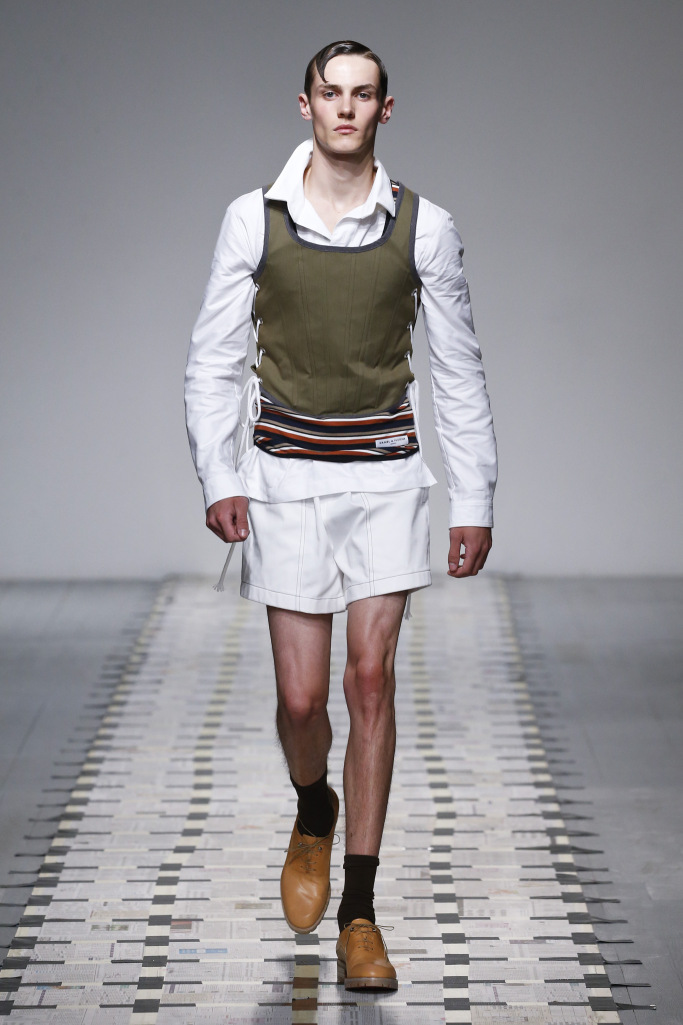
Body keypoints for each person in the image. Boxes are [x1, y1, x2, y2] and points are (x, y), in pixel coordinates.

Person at [184, 39, 497, 990]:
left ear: (384, 110)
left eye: (363, 95)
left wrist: (474, 496)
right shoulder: (254, 218)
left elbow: (457, 366)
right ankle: (312, 804)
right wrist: (218, 474)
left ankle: (360, 912)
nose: (346, 108)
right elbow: (212, 358)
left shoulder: (424, 226)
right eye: (331, 93)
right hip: (283, 479)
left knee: (370, 681)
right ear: (306, 104)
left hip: (385, 480)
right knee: (300, 701)